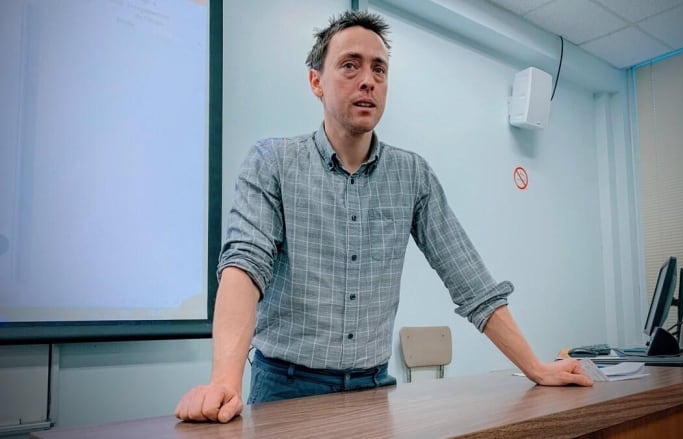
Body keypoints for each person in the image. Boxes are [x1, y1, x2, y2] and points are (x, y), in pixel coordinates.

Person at [175, 9, 592, 424]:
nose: (368, 80)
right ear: (316, 81)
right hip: (285, 388)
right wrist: (224, 382)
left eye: (379, 69)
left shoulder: (413, 175)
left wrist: (535, 367)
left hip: (373, 389)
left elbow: (472, 284)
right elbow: (243, 268)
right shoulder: (273, 163)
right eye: (350, 66)